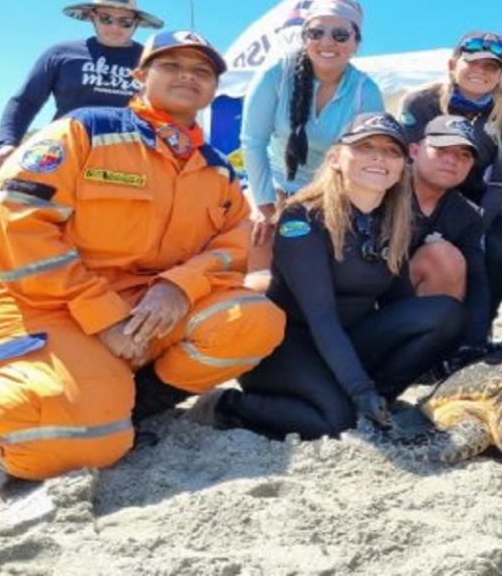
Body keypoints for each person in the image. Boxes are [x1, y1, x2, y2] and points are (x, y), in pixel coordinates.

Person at [0, 31, 286, 480]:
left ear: (213, 89)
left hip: (147, 308)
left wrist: (178, 285)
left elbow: (235, 242)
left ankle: (135, 403)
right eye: (171, 65)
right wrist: (102, 315)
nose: (188, 76)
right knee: (69, 446)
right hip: (40, 304)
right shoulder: (84, 130)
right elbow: (15, 219)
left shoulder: (217, 170)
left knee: (253, 320)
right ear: (140, 76)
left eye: (201, 71)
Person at [192, 113, 463, 439]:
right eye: (365, 146)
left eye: (392, 151)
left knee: (445, 313)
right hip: (288, 346)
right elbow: (320, 317)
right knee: (336, 422)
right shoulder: (301, 217)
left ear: (401, 167)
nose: (379, 156)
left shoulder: (395, 222)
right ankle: (225, 405)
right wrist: (359, 388)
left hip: (347, 340)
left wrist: (460, 350)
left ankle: (377, 399)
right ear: (335, 158)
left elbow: (400, 304)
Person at [240, 0, 384, 286]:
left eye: (340, 34)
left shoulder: (365, 91)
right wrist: (265, 203)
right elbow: (253, 142)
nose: (327, 42)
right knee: (257, 233)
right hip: (275, 183)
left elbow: (366, 157)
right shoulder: (275, 75)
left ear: (356, 43)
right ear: (304, 37)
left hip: (331, 191)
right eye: (316, 32)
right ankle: (255, 320)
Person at [0, 0, 163, 167]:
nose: (115, 27)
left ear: (136, 23)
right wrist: (7, 142)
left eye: (125, 22)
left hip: (129, 160)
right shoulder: (60, 53)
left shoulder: (152, 62)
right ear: (92, 17)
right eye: (106, 18)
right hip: (65, 152)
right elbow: (25, 101)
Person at [400, 31, 502, 230]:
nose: (480, 71)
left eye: (490, 66)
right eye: (471, 62)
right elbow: (405, 167)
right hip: (419, 198)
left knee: (500, 248)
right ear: (452, 65)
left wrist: (476, 228)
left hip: (476, 202)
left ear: (501, 75)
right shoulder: (420, 102)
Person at [409, 115, 490, 352]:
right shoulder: (381, 191)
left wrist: (474, 344)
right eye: (441, 149)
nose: (451, 160)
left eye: (464, 155)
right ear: (414, 151)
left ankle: (432, 351)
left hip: (409, 306)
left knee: (444, 257)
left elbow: (476, 281)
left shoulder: (467, 215)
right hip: (361, 303)